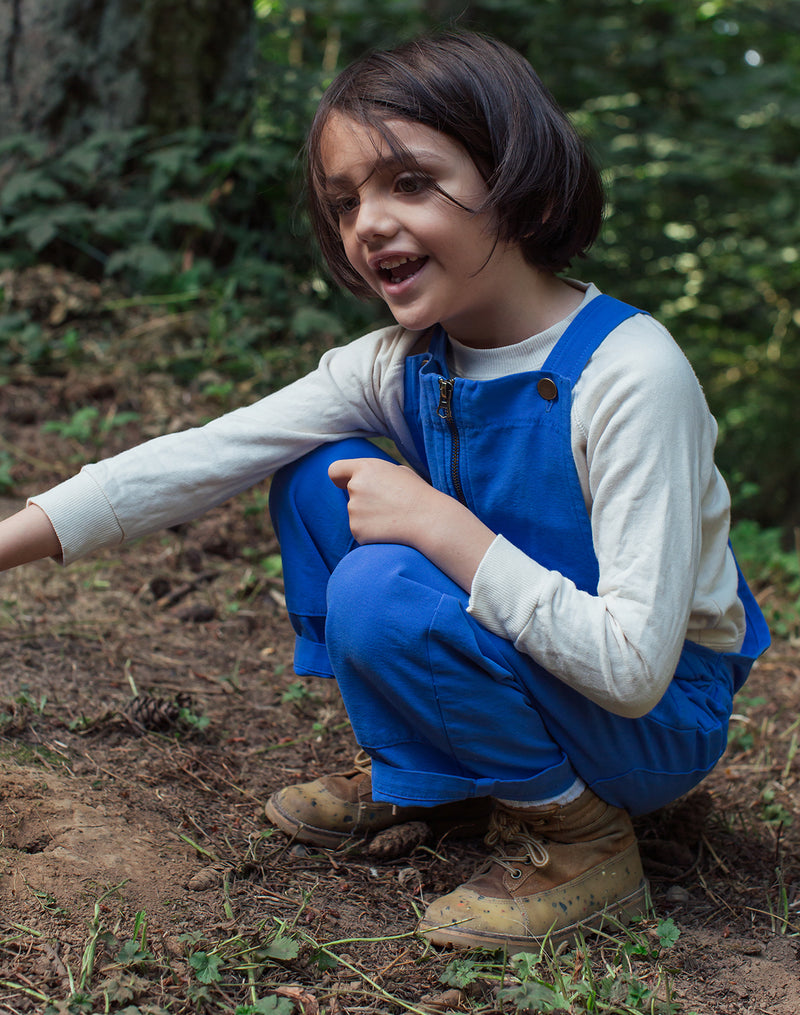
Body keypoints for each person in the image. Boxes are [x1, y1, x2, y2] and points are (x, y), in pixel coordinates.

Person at [0, 30, 770, 953]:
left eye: (409, 182)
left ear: (521, 182)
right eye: (346, 199)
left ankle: (577, 837)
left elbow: (635, 672)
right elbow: (202, 453)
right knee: (313, 472)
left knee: (380, 584)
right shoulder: (401, 360)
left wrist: (444, 529)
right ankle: (429, 771)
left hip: (651, 722)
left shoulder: (631, 373)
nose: (367, 222)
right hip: (538, 663)